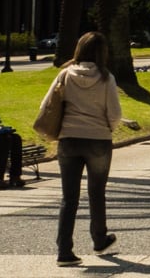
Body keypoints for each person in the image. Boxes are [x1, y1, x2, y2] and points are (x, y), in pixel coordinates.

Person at [48, 31, 121, 268]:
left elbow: (46, 104)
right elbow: (115, 113)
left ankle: (64, 250)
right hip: (98, 139)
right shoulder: (105, 78)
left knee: (69, 197)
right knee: (96, 193)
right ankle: (99, 239)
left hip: (69, 139)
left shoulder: (65, 75)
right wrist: (109, 127)